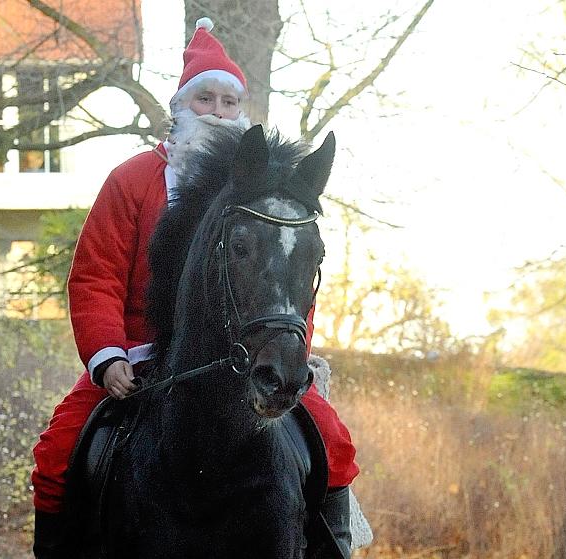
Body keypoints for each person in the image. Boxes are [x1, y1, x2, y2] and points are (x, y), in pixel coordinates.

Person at [32, 18, 359, 559]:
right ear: (180, 107)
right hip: (135, 356)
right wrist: (107, 358)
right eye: (204, 98)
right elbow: (95, 277)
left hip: (245, 353)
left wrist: (285, 348)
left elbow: (287, 284)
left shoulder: (264, 198)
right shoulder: (132, 179)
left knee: (336, 444)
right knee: (58, 451)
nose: (216, 112)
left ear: (242, 111)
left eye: (229, 103)